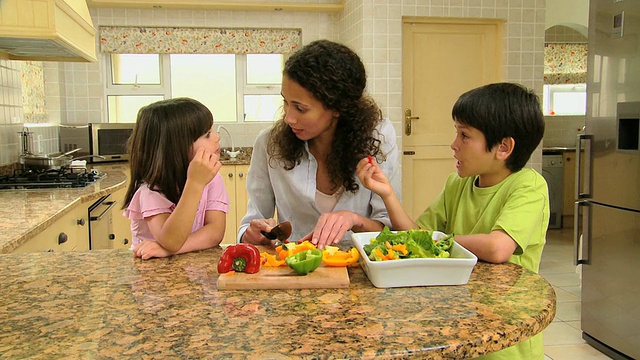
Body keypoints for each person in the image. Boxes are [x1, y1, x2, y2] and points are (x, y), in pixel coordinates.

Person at [357, 82, 549, 360]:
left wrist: (439, 241)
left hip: (507, 337)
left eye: (465, 135)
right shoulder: (457, 184)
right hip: (463, 322)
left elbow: (498, 248)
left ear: (504, 147)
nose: (454, 145)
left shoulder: (529, 186)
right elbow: (417, 236)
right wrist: (387, 194)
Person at [238, 39, 399, 249]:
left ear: (337, 108)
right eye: (285, 102)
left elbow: (390, 229)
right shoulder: (269, 145)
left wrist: (355, 220)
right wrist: (250, 234)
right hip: (294, 268)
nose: (289, 118)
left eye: (300, 108)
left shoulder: (378, 139)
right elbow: (251, 222)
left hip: (360, 267)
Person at [123, 97, 229, 260]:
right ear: (176, 147)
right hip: (153, 273)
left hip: (194, 271)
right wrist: (195, 183)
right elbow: (171, 240)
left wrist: (169, 250)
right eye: (207, 134)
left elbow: (215, 232)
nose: (217, 136)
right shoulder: (150, 191)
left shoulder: (212, 179)